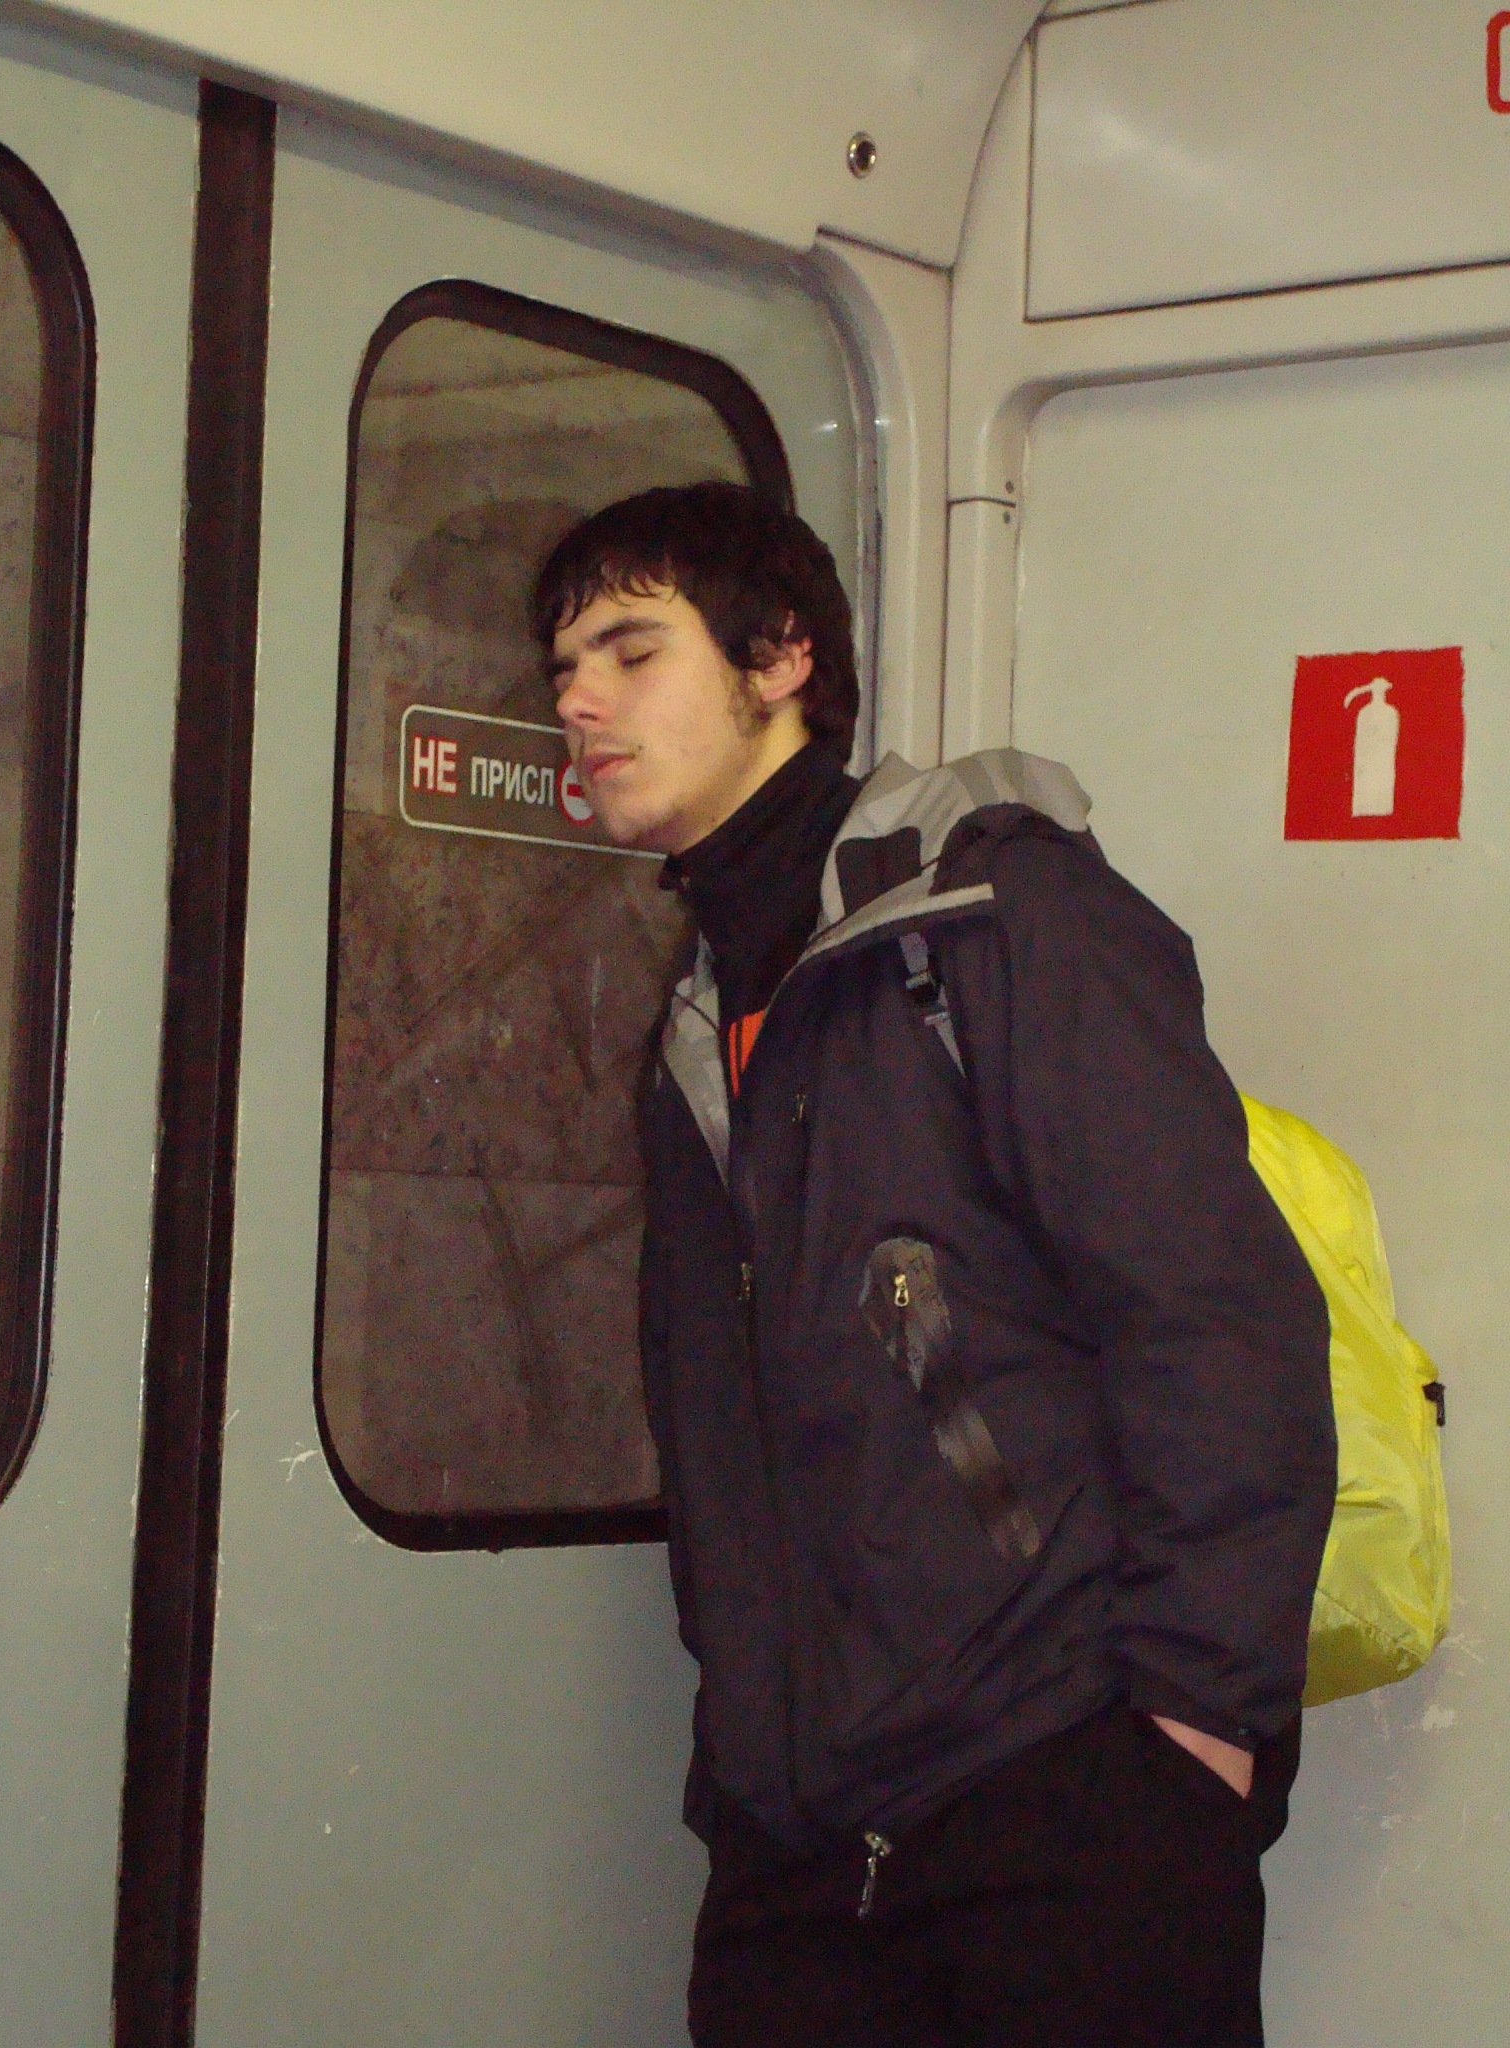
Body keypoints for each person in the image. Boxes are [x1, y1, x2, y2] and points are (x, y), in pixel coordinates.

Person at [534, 481, 1336, 2048]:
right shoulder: (703, 1020)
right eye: (562, 669)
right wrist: (746, 1758)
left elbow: (1215, 1321)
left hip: (1067, 1795)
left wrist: (1190, 1734)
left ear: (780, 659)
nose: (577, 701)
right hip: (798, 1837)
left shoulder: (990, 921)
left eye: (630, 650)